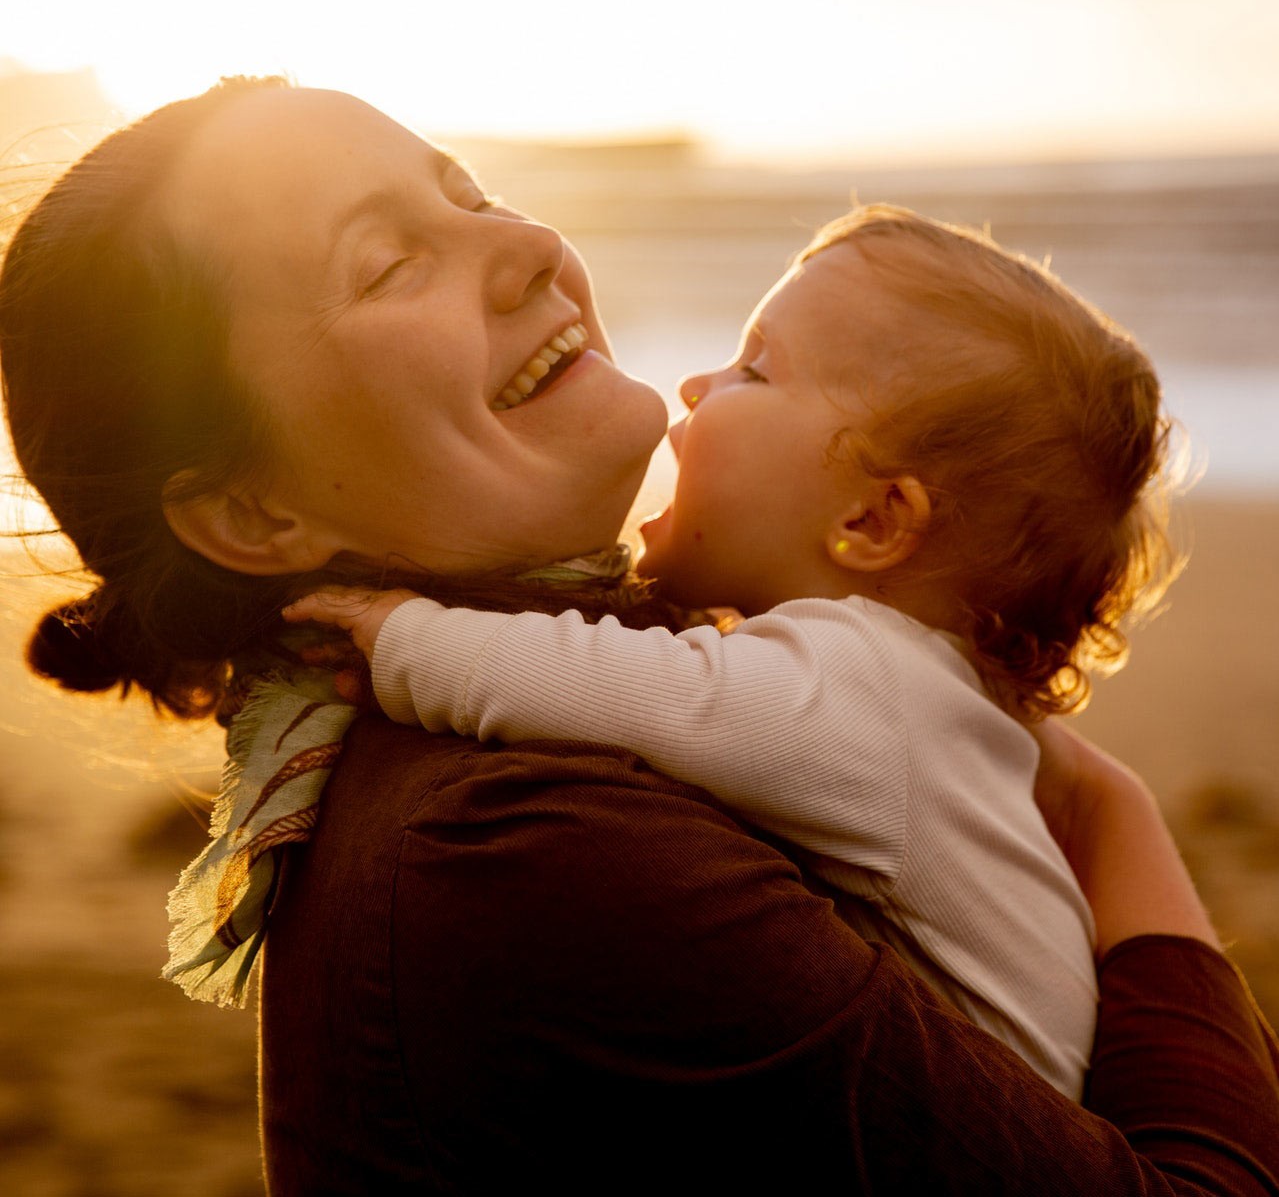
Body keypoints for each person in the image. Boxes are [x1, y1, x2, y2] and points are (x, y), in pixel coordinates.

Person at [1, 77, 1276, 1194]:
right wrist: (1113, 821)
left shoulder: (589, 712)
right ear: (249, 510)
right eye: (389, 262)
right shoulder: (524, 845)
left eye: (472, 190)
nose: (531, 242)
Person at [286, 205, 1174, 1098]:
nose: (694, 386)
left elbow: (639, 690)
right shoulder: (922, 701)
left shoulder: (866, 684)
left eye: (753, 369)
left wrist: (406, 637)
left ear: (870, 520)